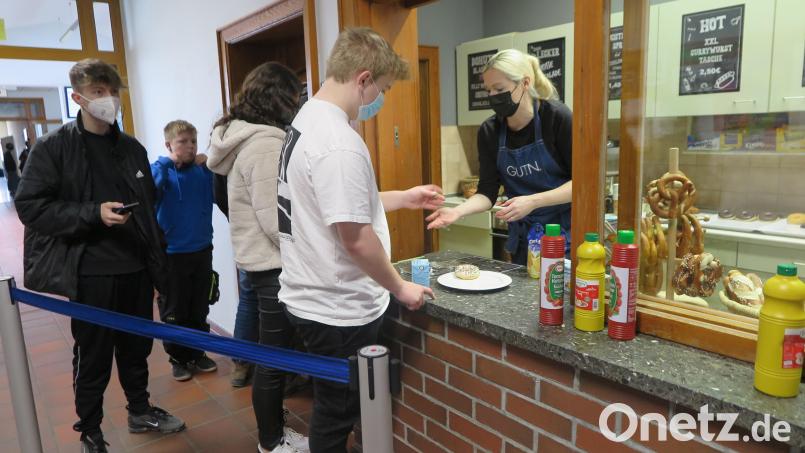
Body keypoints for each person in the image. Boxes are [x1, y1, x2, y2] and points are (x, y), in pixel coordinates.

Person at [277, 27, 444, 452]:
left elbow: (339, 206)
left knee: (334, 407)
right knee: (338, 412)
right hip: (338, 308)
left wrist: (404, 198)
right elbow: (355, 239)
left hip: (310, 294)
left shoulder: (305, 121)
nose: (379, 101)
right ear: (364, 78)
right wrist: (400, 287)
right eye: (382, 89)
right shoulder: (338, 143)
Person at [14, 58, 184, 453]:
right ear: (78, 97)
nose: (108, 100)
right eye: (97, 93)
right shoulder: (53, 148)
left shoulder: (131, 149)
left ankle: (140, 411)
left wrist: (160, 270)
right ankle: (90, 430)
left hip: (136, 268)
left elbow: (148, 209)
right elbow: (31, 206)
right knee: (92, 356)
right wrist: (92, 213)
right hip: (90, 273)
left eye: (112, 91)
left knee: (137, 348)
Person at [208, 61, 309, 453]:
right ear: (278, 99)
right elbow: (277, 222)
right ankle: (271, 441)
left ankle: (276, 432)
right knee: (273, 360)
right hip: (274, 267)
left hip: (258, 264)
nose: (298, 103)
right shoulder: (266, 143)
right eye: (294, 95)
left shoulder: (241, 138)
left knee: (272, 355)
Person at [426, 48, 573, 264]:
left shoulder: (557, 118)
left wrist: (533, 201)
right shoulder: (490, 131)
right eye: (489, 90)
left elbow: (583, 184)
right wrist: (457, 212)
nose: (493, 96)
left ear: (525, 83)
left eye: (499, 88)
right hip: (524, 239)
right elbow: (487, 192)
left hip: (564, 235)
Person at [151, 119, 218, 381]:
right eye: (182, 142)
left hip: (202, 249)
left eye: (193, 142)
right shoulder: (161, 171)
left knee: (199, 306)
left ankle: (197, 352)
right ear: (169, 145)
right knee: (174, 310)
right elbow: (148, 190)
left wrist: (209, 163)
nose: (190, 147)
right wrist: (168, 161)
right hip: (172, 255)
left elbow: (218, 191)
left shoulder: (202, 171)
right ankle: (177, 358)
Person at [212, 172, 260, 388]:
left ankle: (242, 364)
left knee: (250, 298)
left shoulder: (221, 143)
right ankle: (279, 369)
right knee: (256, 297)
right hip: (262, 231)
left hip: (245, 230)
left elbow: (220, 196)